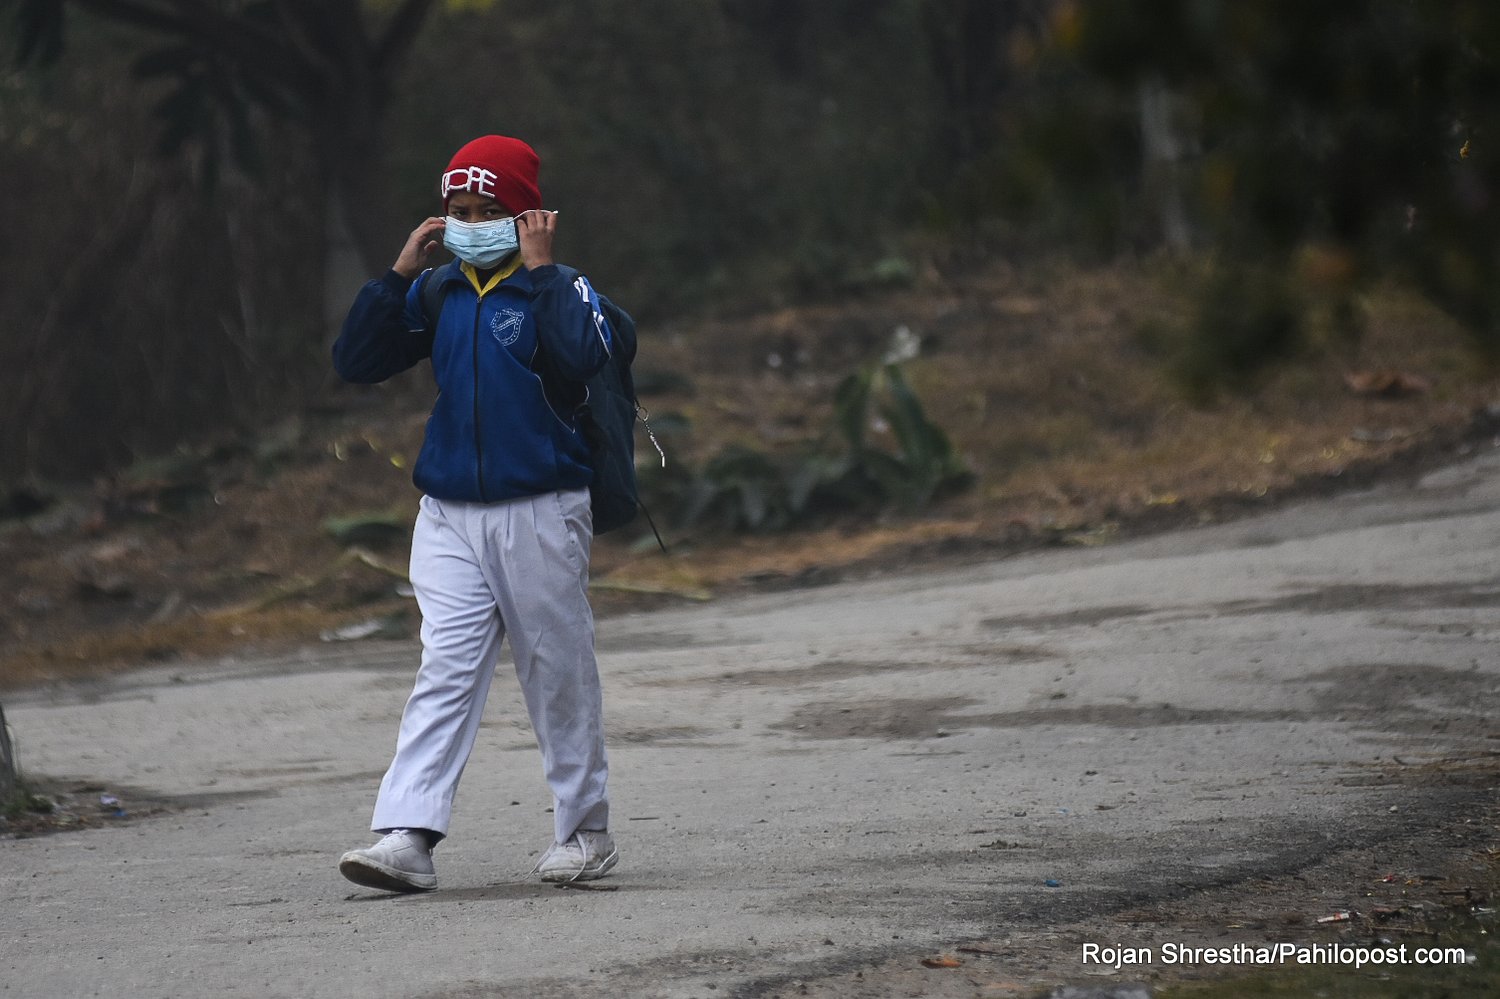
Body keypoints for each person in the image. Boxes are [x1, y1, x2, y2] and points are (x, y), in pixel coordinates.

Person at [332, 134, 620, 892]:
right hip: (450, 513)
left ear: (527, 215)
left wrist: (543, 270)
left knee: (556, 670)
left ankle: (585, 831)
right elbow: (356, 361)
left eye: (490, 209)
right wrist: (398, 274)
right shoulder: (437, 293)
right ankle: (407, 833)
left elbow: (587, 355)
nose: (471, 221)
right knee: (445, 668)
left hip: (540, 508)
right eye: (458, 209)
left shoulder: (564, 289)